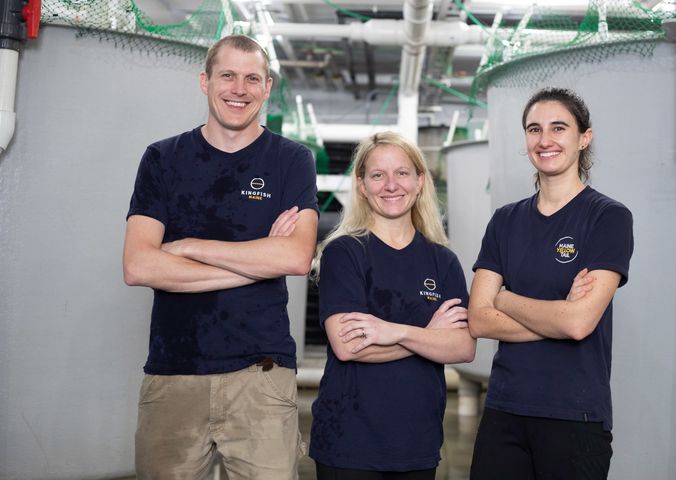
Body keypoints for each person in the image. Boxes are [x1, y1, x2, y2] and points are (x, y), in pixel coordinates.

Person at [122, 34, 318, 480]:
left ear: (268, 87)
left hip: (262, 375)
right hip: (174, 374)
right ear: (204, 81)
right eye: (227, 75)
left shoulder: (292, 160)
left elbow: (294, 258)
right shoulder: (162, 159)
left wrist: (189, 247)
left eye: (253, 78)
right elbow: (139, 266)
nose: (239, 88)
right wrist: (256, 262)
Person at [468, 87, 634, 480]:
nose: (545, 140)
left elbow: (578, 324)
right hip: (504, 412)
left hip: (574, 416)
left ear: (583, 138)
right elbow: (478, 319)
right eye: (534, 129)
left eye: (558, 128)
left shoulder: (608, 218)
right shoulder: (505, 221)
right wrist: (559, 313)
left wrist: (504, 299)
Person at [309, 131, 476, 480]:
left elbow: (461, 346)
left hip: (417, 442)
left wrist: (391, 332)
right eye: (377, 175)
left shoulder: (442, 261)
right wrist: (429, 337)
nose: (391, 185)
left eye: (402, 173)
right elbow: (348, 345)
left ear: (419, 182)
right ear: (361, 185)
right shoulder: (344, 253)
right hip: (349, 441)